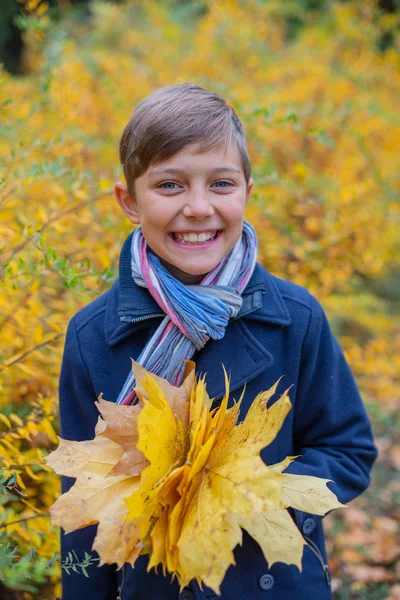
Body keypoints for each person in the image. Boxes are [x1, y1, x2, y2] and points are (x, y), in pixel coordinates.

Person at [59, 84, 377, 600]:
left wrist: (251, 494)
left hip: (271, 583)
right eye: (170, 186)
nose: (199, 207)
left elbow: (347, 449)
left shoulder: (294, 319)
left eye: (221, 183)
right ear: (129, 201)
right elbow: (82, 498)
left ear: (248, 191)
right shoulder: (94, 335)